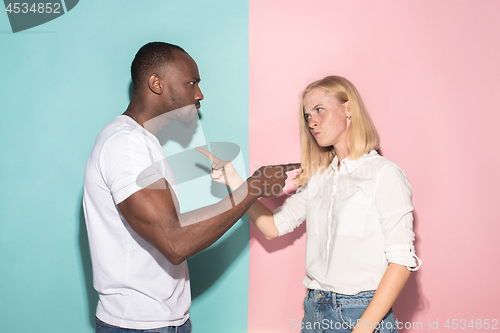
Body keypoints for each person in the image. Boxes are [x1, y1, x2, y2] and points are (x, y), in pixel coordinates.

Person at [82, 42, 300, 332]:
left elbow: (172, 228)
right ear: (156, 83)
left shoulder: (143, 143)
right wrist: (252, 188)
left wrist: (245, 187)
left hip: (164, 323)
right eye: (191, 83)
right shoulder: (125, 145)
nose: (199, 94)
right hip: (138, 326)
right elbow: (175, 242)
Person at [198, 75, 421, 333]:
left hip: (361, 314)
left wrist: (361, 330)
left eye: (319, 110)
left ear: (348, 109)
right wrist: (235, 180)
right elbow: (273, 227)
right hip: (314, 310)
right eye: (307, 115)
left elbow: (402, 263)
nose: (312, 122)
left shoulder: (385, 174)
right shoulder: (320, 177)